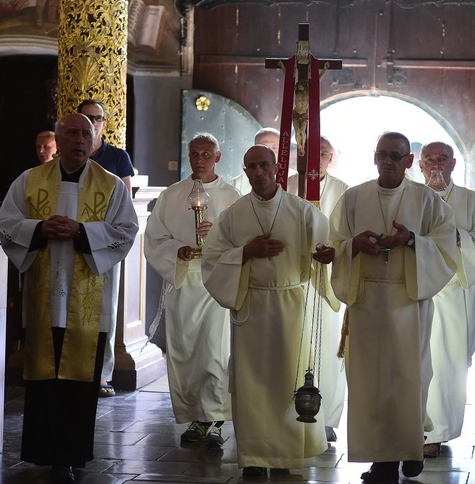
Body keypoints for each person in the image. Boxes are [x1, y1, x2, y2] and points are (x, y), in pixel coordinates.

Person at [0, 113, 138, 483]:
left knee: (78, 383)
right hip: (43, 300)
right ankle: (43, 452)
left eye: (85, 133)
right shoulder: (30, 180)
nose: (78, 139)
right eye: (71, 132)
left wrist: (82, 232)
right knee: (45, 380)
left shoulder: (111, 185)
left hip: (88, 305)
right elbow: (6, 223)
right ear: (58, 139)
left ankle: (70, 456)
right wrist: (39, 228)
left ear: (94, 140)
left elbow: (126, 231)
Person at [201, 145, 338, 478]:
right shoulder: (233, 214)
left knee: (286, 383)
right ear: (245, 171)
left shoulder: (302, 210)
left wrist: (326, 256)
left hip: (291, 307)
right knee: (251, 386)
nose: (258, 172)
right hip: (250, 307)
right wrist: (247, 251)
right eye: (251, 166)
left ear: (276, 168)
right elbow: (211, 261)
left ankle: (286, 456)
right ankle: (254, 457)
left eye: (264, 165)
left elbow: (328, 248)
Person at [329, 131, 457, 481]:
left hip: (408, 301)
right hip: (367, 299)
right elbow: (335, 241)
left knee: (408, 379)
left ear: (408, 161)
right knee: (368, 383)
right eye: (382, 155)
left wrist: (413, 240)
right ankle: (381, 460)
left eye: (396, 156)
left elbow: (446, 247)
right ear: (374, 158)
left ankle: (409, 448)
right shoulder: (354, 198)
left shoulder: (427, 201)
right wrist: (352, 246)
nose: (388, 161)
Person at [144, 133, 240, 448]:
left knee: (213, 352)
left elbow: (242, 239)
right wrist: (179, 250)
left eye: (206, 153)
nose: (199, 159)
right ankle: (196, 416)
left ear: (218, 157)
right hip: (184, 281)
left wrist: (218, 236)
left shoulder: (232, 196)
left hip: (217, 283)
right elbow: (155, 238)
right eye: (194, 153)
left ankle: (213, 419)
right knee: (185, 352)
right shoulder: (172, 195)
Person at [417, 141, 475, 457]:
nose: (436, 164)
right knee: (413, 363)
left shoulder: (471, 201)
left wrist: (457, 238)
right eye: (430, 159)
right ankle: (409, 429)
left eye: (443, 159)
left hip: (453, 293)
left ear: (453, 164)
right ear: (420, 164)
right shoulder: (409, 198)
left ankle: (436, 431)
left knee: (446, 363)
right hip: (414, 291)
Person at [286, 136, 349, 441]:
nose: (316, 159)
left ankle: (327, 417)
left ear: (331, 156)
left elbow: (346, 232)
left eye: (322, 153)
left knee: (326, 345)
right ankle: (291, 411)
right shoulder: (284, 186)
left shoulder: (343, 191)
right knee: (295, 346)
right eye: (309, 153)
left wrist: (332, 249)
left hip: (327, 281)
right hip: (292, 278)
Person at [77, 98, 135, 397]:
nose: (93, 122)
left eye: (97, 118)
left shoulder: (117, 156)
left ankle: (102, 374)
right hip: (74, 239)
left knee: (105, 311)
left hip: (105, 239)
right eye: (87, 117)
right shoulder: (71, 154)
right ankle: (76, 370)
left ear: (103, 122)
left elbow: (124, 198)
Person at [230, 127, 281, 195]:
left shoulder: (295, 179)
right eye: (264, 146)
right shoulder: (237, 184)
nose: (268, 152)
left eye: (274, 147)